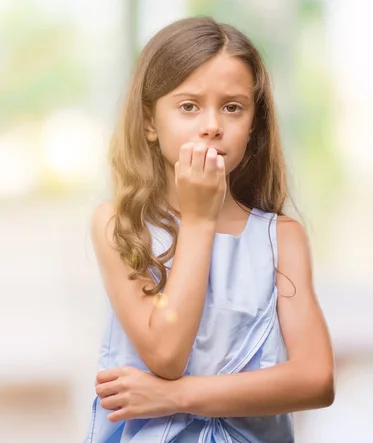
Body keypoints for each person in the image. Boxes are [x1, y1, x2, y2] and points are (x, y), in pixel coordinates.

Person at [85, 16, 335, 443]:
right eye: (188, 106)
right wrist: (200, 220)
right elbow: (165, 353)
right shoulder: (118, 224)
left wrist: (176, 396)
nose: (212, 124)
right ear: (149, 122)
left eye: (233, 107)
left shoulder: (281, 238)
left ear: (253, 124)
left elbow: (315, 380)